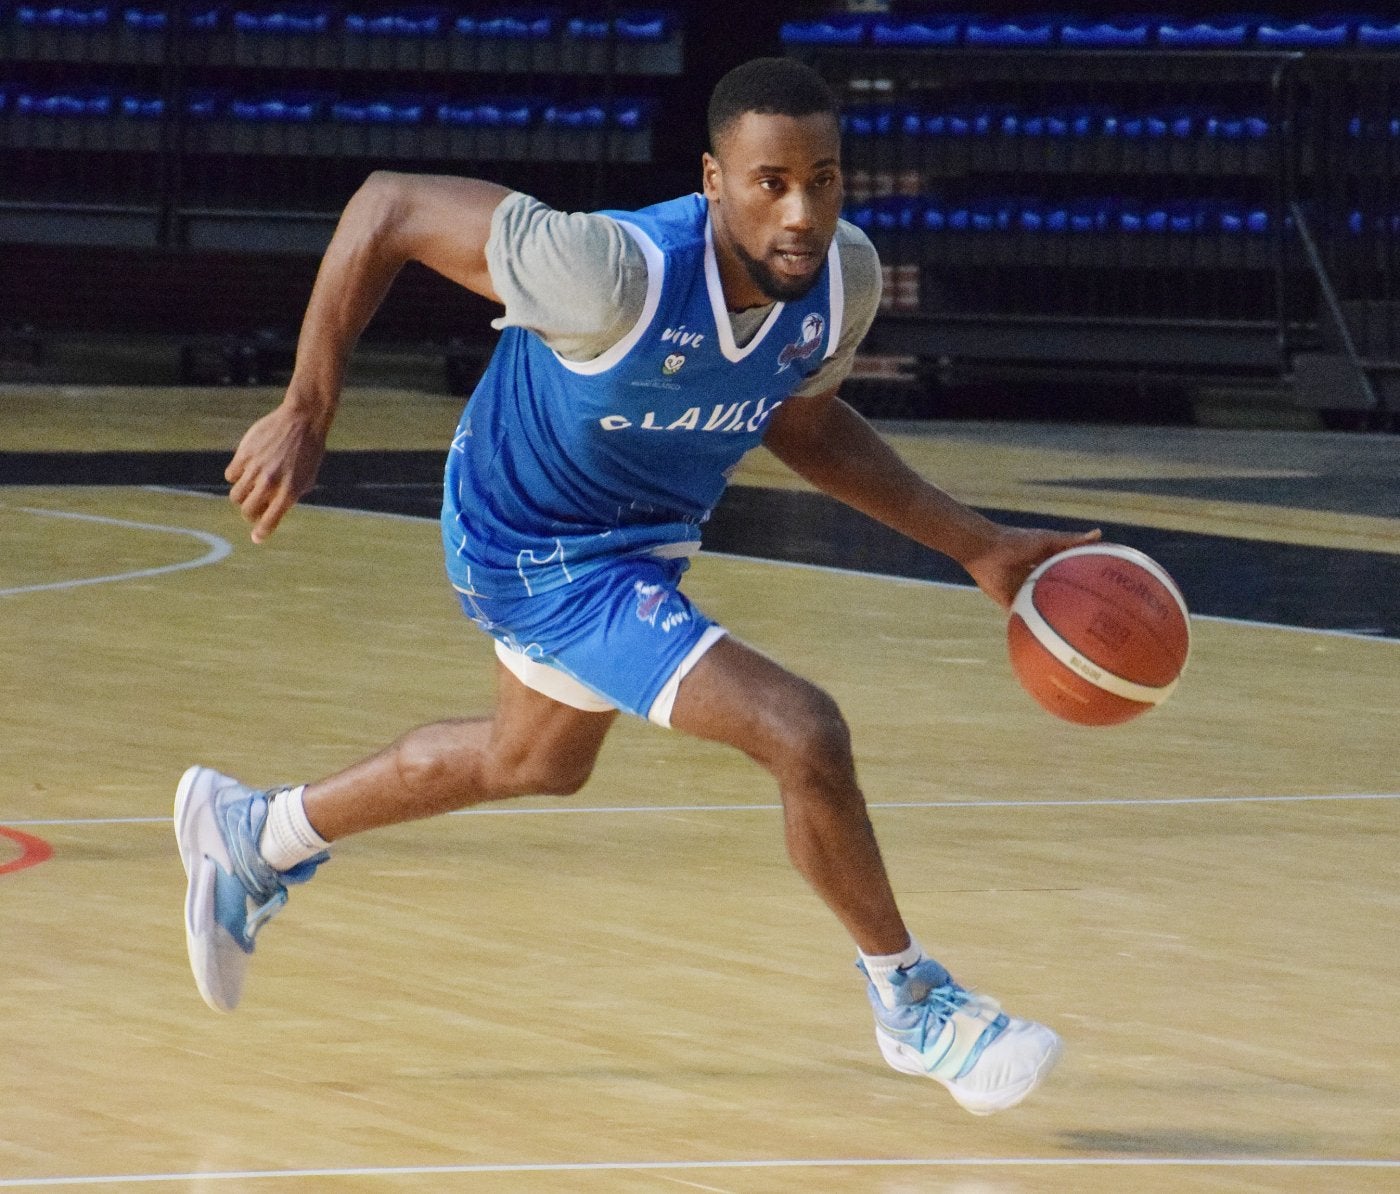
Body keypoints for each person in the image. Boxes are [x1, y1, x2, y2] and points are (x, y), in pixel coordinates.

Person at [175, 57, 1097, 1116]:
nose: (801, 211)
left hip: (640, 536)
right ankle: (913, 1003)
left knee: (532, 761)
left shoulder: (842, 279)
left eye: (824, 179)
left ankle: (258, 835)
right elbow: (386, 204)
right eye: (770, 182)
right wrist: (307, 408)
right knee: (801, 730)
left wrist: (972, 544)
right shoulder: (608, 272)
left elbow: (800, 423)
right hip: (529, 541)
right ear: (714, 180)